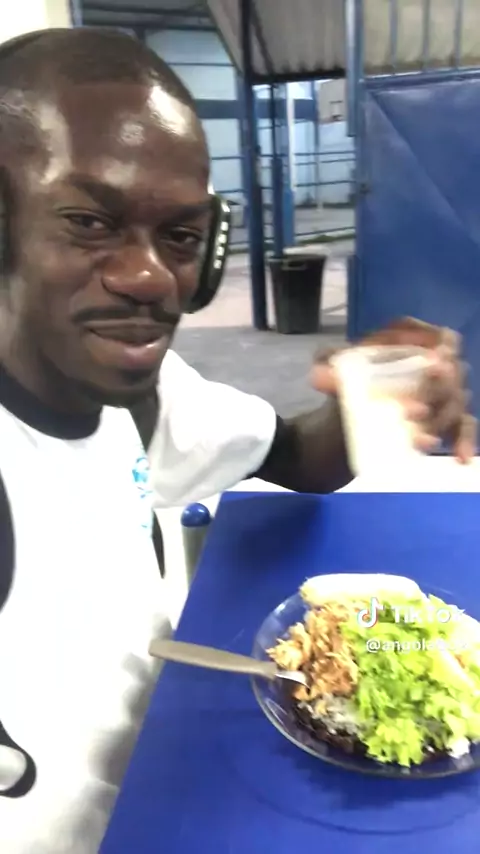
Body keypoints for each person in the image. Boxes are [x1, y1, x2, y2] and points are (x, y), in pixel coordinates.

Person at [0, 27, 474, 854]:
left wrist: (374, 398)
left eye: (181, 237)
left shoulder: (134, 393)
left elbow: (291, 455)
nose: (150, 277)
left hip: (180, 766)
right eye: (89, 221)